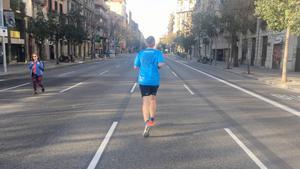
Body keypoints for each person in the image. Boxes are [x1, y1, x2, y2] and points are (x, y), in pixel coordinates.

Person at [134, 36, 165, 137]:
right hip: (154, 80)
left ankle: (147, 122)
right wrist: (155, 66)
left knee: (145, 102)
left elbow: (135, 67)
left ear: (146, 43)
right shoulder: (158, 53)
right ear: (154, 43)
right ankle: (152, 119)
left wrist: (143, 65)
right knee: (153, 99)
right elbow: (161, 64)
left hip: (143, 80)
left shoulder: (141, 53)